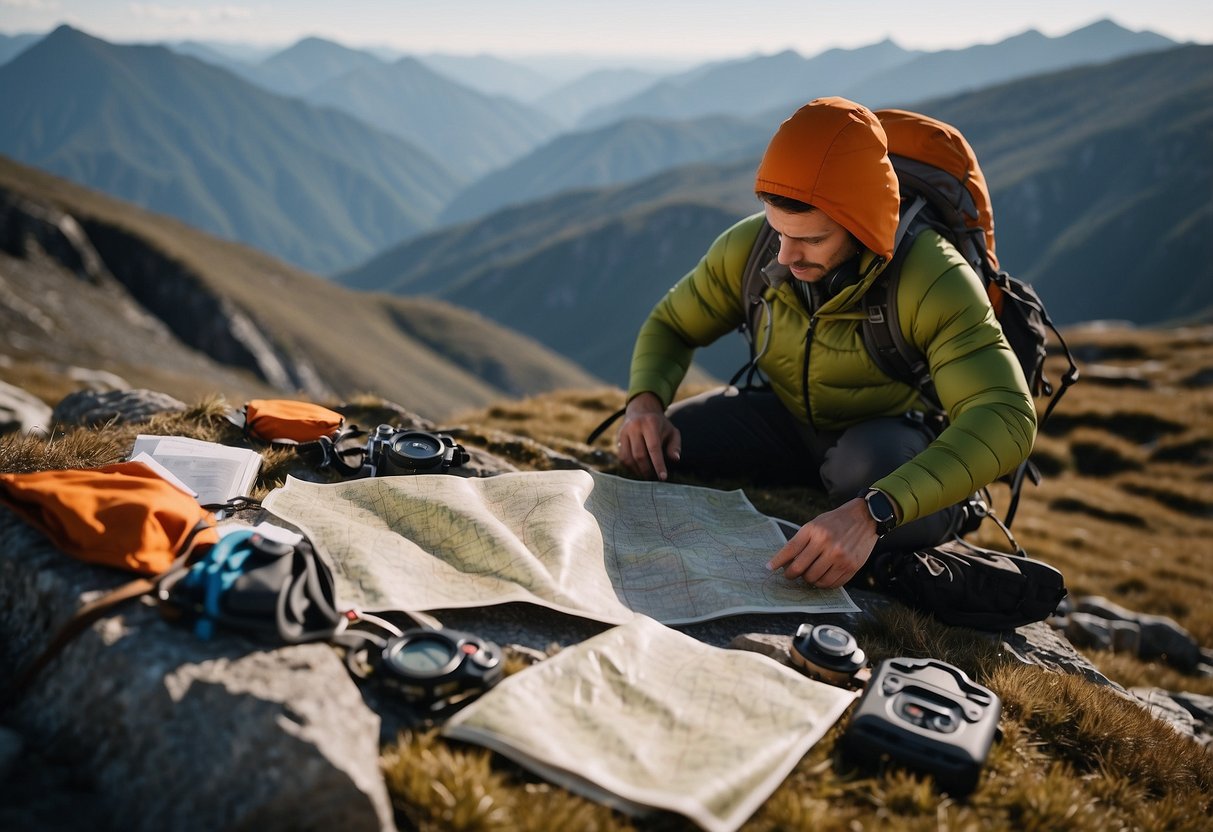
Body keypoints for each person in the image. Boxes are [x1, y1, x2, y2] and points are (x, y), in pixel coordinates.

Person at [616, 96, 1037, 590]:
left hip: (885, 441)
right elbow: (672, 323)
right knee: (664, 445)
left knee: (866, 469)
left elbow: (1008, 416)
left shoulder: (934, 278)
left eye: (812, 240)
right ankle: (833, 490)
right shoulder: (751, 249)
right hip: (787, 417)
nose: (788, 257)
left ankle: (938, 510)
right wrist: (644, 403)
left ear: (863, 225)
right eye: (779, 231)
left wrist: (873, 511)